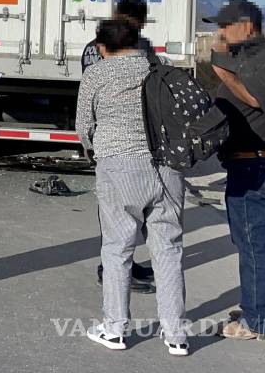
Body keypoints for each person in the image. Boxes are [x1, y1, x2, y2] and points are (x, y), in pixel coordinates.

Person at [76, 19, 189, 356]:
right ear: (138, 43)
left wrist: (93, 146)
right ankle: (177, 336)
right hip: (167, 169)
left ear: (101, 47)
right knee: (168, 249)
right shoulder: (160, 69)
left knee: (117, 248)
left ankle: (114, 330)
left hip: (119, 169)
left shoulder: (97, 74)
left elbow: (84, 127)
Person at [205, 0, 265, 342]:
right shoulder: (253, 57)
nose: (220, 33)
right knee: (264, 238)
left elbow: (257, 100)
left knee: (255, 241)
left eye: (226, 26)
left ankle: (261, 321)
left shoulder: (259, 58)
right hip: (255, 158)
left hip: (257, 160)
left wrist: (223, 73)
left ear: (248, 26)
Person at [82, 0, 158, 294]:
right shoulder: (99, 47)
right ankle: (110, 268)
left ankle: (126, 263)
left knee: (133, 211)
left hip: (136, 141)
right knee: (115, 215)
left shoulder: (141, 45)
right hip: (114, 140)